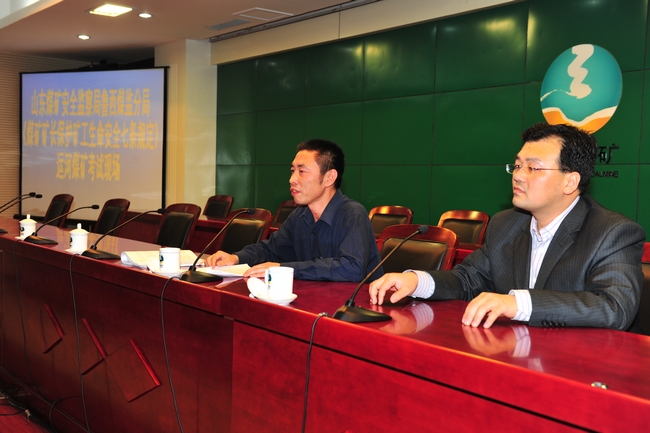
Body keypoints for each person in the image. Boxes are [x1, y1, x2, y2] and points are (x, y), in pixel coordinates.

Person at [369, 123, 645, 330]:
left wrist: (517, 304)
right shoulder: (507, 223)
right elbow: (468, 280)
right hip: (511, 354)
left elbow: (614, 307)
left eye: (533, 168)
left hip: (577, 367)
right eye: (517, 166)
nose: (518, 176)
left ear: (570, 181)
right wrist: (417, 281)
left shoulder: (612, 232)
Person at [206, 139, 382, 282]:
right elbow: (271, 250)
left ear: (329, 177)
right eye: (292, 170)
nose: (292, 179)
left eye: (302, 171)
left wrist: (285, 269)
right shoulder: (299, 215)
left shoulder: (353, 214)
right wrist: (236, 258)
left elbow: (351, 269)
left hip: (353, 308)